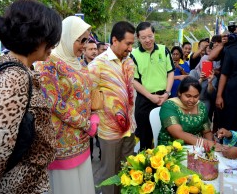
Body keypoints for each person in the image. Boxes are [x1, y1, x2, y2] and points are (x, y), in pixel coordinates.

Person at [0, 0, 61, 193]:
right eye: (50, 39)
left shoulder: (20, 69)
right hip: (18, 186)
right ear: (35, 37)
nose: (52, 46)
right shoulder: (15, 77)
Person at [35, 16, 98, 194]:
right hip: (62, 143)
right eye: (81, 40)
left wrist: (93, 115)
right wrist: (86, 124)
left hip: (83, 140)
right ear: (67, 36)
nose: (85, 45)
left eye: (87, 40)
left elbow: (86, 93)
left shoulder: (77, 62)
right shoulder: (48, 62)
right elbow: (54, 102)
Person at [88, 21, 136, 194]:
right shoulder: (97, 65)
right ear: (115, 40)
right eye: (128, 43)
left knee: (128, 172)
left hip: (130, 129)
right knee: (110, 175)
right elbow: (88, 98)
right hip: (109, 132)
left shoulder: (129, 62)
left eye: (132, 44)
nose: (130, 48)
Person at [131, 21, 174, 150]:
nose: (147, 40)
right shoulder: (134, 55)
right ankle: (145, 167)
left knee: (165, 136)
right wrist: (150, 96)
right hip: (145, 100)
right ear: (138, 38)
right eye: (143, 37)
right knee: (145, 138)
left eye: (150, 36)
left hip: (164, 98)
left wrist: (167, 93)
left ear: (154, 34)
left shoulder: (163, 49)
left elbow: (170, 72)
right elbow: (134, 81)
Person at [158, 76, 214, 147]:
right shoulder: (169, 106)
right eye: (188, 96)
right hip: (172, 149)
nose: (192, 100)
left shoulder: (201, 106)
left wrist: (211, 150)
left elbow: (207, 132)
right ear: (179, 93)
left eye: (196, 96)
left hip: (197, 149)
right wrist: (207, 144)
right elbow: (178, 133)